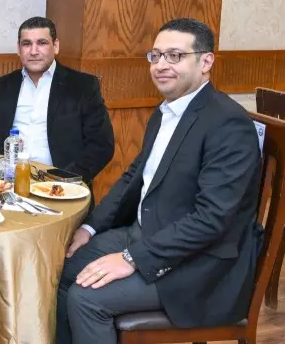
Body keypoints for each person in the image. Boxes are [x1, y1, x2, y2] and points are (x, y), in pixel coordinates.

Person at [55, 18, 262, 344]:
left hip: (199, 265)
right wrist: (89, 228)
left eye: (175, 56)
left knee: (87, 297)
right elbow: (132, 178)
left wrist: (132, 259)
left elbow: (212, 220)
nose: (161, 65)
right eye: (156, 55)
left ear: (206, 61)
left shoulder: (228, 124)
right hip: (145, 233)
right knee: (59, 271)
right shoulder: (166, 111)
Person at [0, 17, 114, 184]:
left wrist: (64, 180)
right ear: (19, 49)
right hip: (7, 182)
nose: (34, 51)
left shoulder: (82, 86)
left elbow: (101, 145)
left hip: (60, 185)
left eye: (42, 43)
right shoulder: (0, 86)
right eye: (27, 44)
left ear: (55, 46)